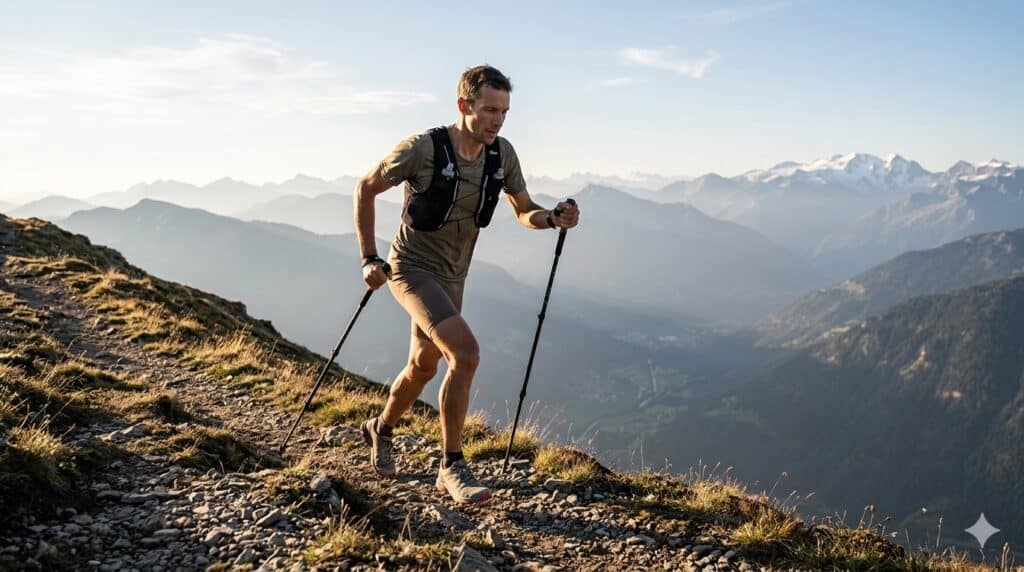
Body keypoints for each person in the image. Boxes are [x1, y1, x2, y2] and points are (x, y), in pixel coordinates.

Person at [352, 64, 580, 504]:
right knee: (466, 353)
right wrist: (368, 258)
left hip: (454, 276)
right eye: (490, 110)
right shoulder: (422, 149)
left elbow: (523, 209)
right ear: (464, 105)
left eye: (505, 112)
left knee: (423, 366)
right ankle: (451, 466)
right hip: (410, 269)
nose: (497, 120)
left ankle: (379, 428)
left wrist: (551, 218)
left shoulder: (502, 155)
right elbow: (365, 188)